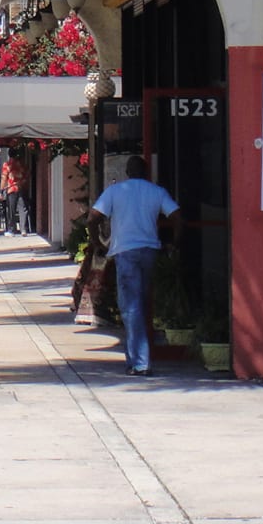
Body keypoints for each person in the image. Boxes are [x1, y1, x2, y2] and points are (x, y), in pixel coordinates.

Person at [86, 155, 182, 377]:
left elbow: (92, 218)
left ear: (127, 173)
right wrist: (173, 244)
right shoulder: (156, 192)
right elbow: (177, 217)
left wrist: (97, 242)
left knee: (131, 307)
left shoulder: (115, 191)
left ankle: (140, 362)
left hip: (125, 252)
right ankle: (134, 359)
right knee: (141, 304)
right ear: (146, 173)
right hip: (150, 251)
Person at [2, 152, 29, 236]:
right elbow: (27, 175)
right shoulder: (22, 165)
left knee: (11, 210)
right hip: (21, 188)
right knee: (22, 209)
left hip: (11, 189)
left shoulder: (7, 165)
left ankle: (11, 230)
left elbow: (4, 178)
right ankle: (23, 229)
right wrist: (22, 182)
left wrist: (2, 190)